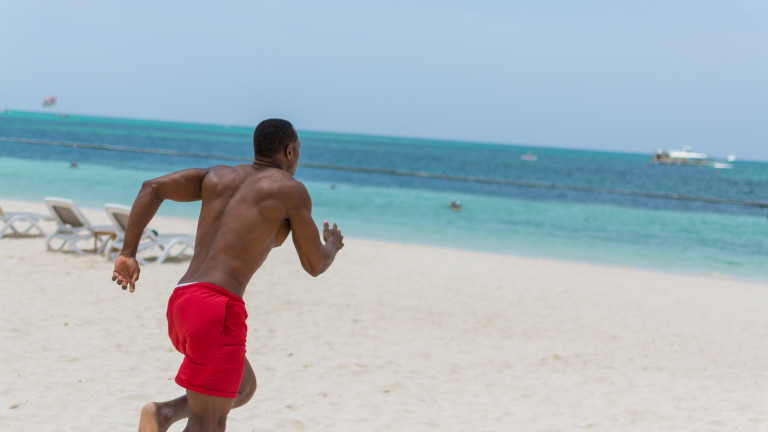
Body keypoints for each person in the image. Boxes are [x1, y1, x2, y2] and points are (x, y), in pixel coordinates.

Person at [111, 118, 344, 432]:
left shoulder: (217, 176)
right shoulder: (291, 190)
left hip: (183, 301)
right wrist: (332, 244)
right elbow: (315, 264)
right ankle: (167, 415)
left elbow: (152, 188)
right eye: (299, 149)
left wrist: (128, 252)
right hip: (217, 308)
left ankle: (163, 414)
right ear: (290, 151)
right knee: (209, 423)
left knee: (243, 387)